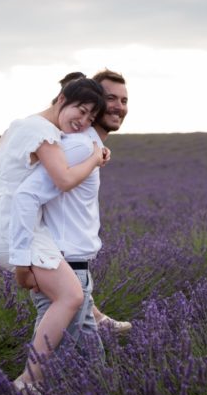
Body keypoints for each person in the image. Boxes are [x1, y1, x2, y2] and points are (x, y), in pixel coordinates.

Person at [0, 77, 108, 386]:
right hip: (13, 225)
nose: (84, 121)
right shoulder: (44, 133)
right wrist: (94, 157)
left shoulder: (22, 124)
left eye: (91, 117)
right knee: (70, 295)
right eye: (82, 110)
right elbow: (62, 180)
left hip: (3, 219)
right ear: (62, 98)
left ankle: (56, 376)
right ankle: (28, 383)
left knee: (67, 298)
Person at [10, 69, 131, 364]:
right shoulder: (79, 146)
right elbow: (26, 196)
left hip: (72, 268)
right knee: (68, 372)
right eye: (110, 98)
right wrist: (22, 263)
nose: (118, 107)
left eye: (124, 100)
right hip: (65, 266)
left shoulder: (86, 144)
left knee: (79, 372)